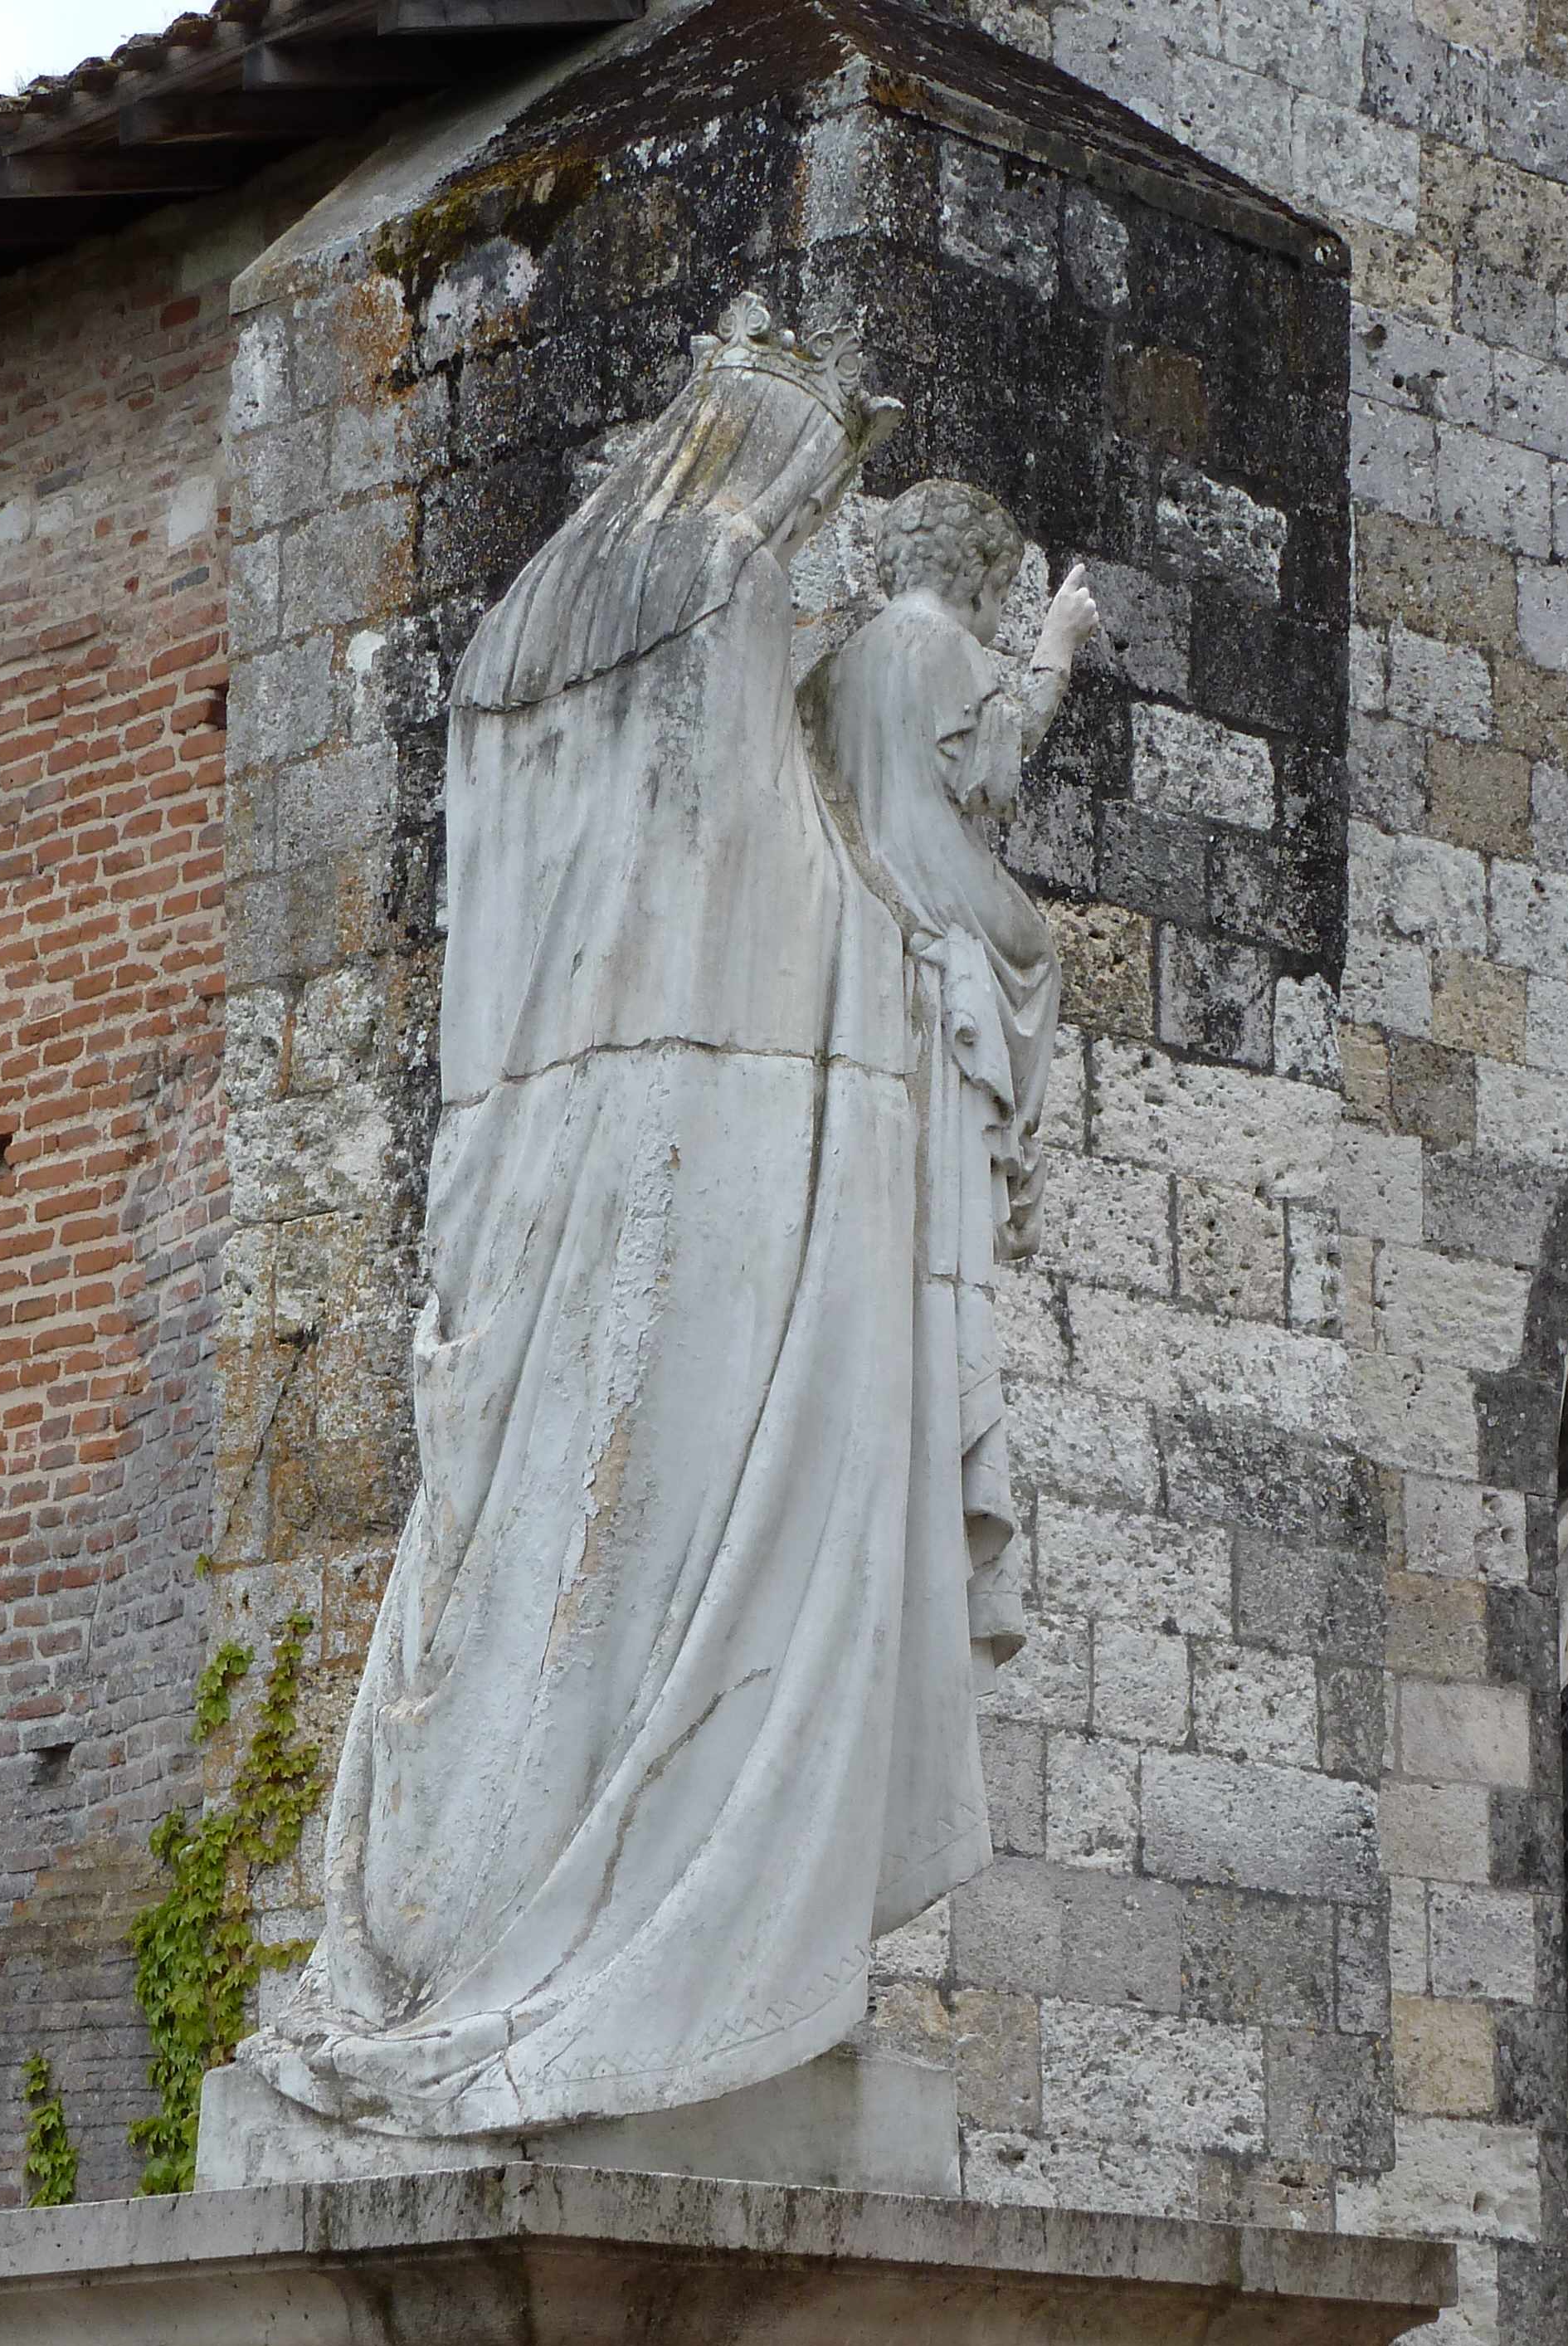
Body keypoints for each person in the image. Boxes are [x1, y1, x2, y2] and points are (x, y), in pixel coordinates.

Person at [241, 300, 998, 2139]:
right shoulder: (718, 587)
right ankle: (632, 1947)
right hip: (719, 1143)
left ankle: (475, 1910)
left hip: (539, 1171)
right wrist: (929, 949)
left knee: (533, 1564)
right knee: (671, 1539)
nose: (821, 538)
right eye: (821, 495)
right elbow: (763, 876)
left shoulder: (524, 639)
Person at [806, 477, 1099, 1669]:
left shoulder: (842, 661)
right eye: (998, 590)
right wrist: (1056, 646)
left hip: (875, 946)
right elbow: (994, 770)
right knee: (1035, 947)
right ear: (979, 573)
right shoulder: (934, 646)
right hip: (944, 940)